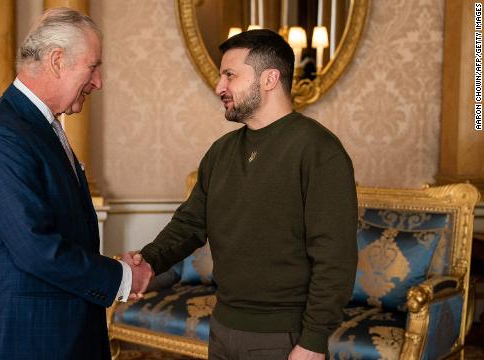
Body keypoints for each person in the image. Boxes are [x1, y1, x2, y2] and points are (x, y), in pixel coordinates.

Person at [129, 29, 358, 360]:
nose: (219, 86)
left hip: (284, 336)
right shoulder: (221, 151)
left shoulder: (319, 150)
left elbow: (335, 258)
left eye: (230, 75)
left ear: (269, 79)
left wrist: (313, 342)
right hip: (222, 327)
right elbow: (190, 223)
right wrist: (147, 261)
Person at [0, 8, 152, 360]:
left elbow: (65, 230)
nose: (99, 81)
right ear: (57, 61)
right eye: (93, 66)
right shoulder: (1, 136)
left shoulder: (38, 126)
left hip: (61, 331)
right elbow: (36, 248)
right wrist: (122, 277)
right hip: (25, 339)